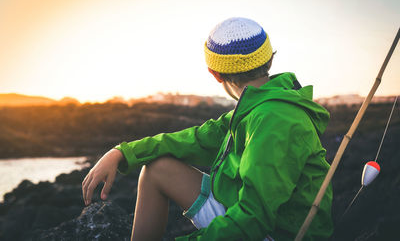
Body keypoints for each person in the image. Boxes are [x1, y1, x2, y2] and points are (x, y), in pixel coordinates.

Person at [82, 17, 333, 241]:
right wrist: (121, 152)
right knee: (158, 168)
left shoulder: (276, 119)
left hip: (275, 233)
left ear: (215, 74)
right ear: (269, 58)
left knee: (159, 171)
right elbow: (195, 140)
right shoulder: (256, 107)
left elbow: (254, 219)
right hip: (247, 213)